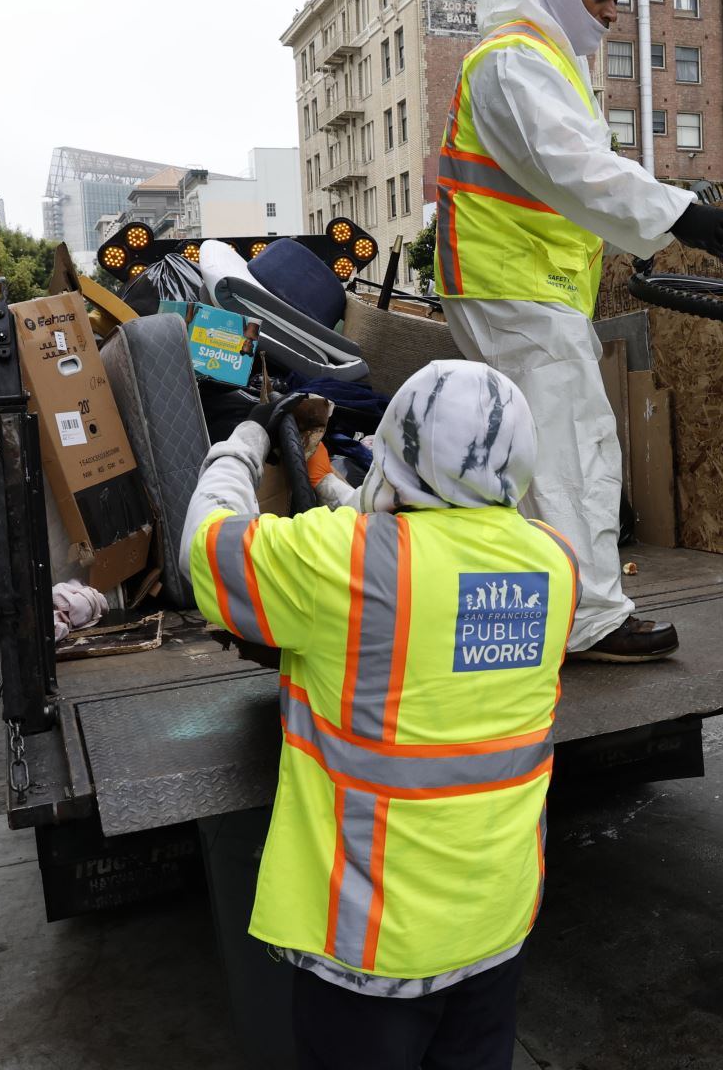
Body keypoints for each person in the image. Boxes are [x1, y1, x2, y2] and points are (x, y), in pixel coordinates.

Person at [180, 361, 579, 1070]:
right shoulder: (555, 563)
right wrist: (324, 471)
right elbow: (433, 545)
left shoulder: (347, 562)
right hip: (494, 927)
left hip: (371, 952)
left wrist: (241, 440)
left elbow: (207, 545)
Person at [435, 0, 723, 663]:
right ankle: (589, 619)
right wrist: (680, 214)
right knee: (570, 450)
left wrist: (671, 211)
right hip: (514, 285)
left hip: (518, 285)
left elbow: (572, 173)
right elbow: (573, 166)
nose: (614, 11)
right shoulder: (516, 62)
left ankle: (540, 608)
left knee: (535, 455)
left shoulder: (536, 62)